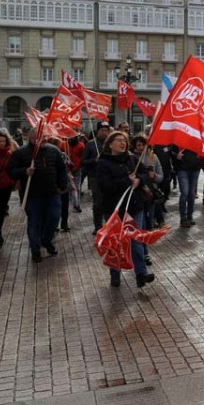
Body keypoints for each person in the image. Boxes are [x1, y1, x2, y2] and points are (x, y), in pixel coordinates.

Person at [95, 130, 154, 288]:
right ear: (110, 144)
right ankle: (115, 273)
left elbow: (146, 173)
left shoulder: (132, 158)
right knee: (116, 243)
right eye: (119, 140)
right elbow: (105, 186)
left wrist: (139, 181)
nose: (123, 143)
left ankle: (141, 274)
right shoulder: (103, 163)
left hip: (135, 207)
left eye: (125, 140)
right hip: (114, 209)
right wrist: (126, 181)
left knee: (136, 240)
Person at [8, 126, 68, 262]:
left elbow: (61, 169)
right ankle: (35, 250)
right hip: (32, 196)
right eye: (41, 137)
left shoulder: (54, 151)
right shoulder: (20, 153)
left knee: (53, 219)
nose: (44, 139)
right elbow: (11, 170)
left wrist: (62, 186)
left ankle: (46, 240)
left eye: (46, 136)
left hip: (52, 194)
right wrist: (24, 171)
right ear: (32, 137)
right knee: (34, 223)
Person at [82, 122, 111, 234]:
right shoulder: (90, 144)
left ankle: (109, 224)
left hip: (109, 176)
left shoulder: (111, 143)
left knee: (109, 202)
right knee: (98, 203)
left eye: (106, 130)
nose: (104, 132)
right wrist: (95, 160)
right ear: (97, 131)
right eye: (102, 130)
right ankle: (98, 226)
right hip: (95, 177)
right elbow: (83, 161)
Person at [171, 144, 201, 227]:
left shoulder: (197, 138)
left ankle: (189, 217)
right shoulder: (179, 139)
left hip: (195, 169)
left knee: (191, 194)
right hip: (182, 169)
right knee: (185, 192)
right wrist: (176, 156)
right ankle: (183, 218)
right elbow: (172, 152)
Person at [67, 135, 85, 213]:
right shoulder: (64, 145)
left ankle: (76, 204)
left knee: (76, 187)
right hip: (67, 170)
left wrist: (79, 165)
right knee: (70, 187)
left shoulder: (81, 145)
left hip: (77, 169)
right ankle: (74, 202)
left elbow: (83, 157)